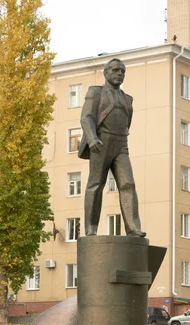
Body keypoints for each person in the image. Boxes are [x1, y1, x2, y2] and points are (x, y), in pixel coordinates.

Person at [78, 58, 145, 237]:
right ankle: (91, 229)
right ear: (105, 73)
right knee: (95, 184)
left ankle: (133, 228)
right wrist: (92, 138)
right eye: (116, 70)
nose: (120, 74)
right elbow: (86, 117)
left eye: (123, 71)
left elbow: (126, 123)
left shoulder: (127, 99)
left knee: (128, 183)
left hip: (121, 144)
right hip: (101, 142)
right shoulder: (96, 92)